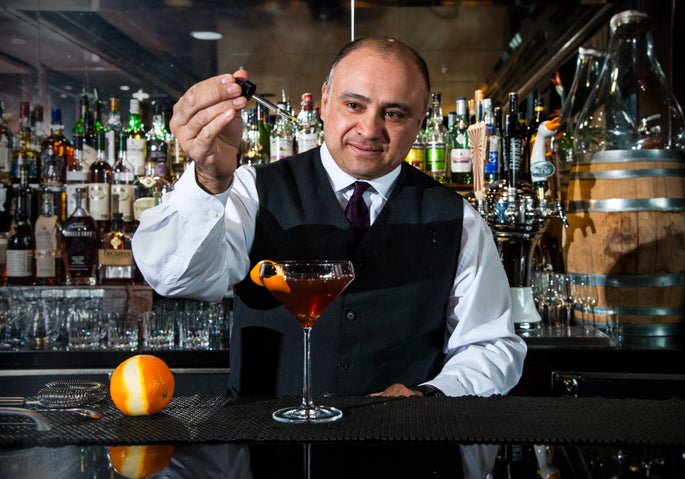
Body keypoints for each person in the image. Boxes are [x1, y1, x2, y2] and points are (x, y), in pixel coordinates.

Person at [132, 36, 527, 398]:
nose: (369, 130)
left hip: (399, 448)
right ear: (324, 102)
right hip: (265, 449)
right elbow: (176, 277)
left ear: (421, 120)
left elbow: (490, 345)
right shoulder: (251, 189)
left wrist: (431, 394)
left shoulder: (458, 218)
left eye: (394, 113)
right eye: (353, 105)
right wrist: (210, 178)